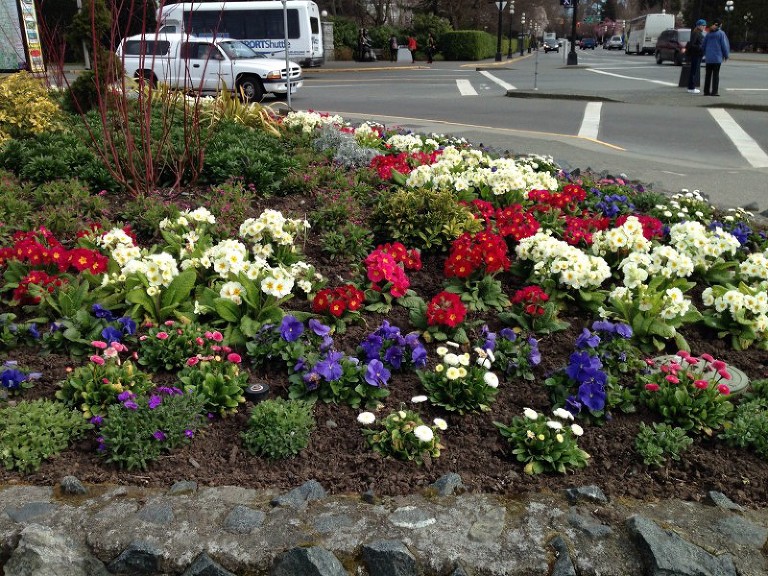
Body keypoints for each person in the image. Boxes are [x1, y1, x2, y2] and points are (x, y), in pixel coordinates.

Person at [701, 19, 729, 97]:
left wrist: (702, 54)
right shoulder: (721, 33)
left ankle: (706, 91)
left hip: (709, 58)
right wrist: (726, 55)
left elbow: (703, 45)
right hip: (717, 58)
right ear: (720, 25)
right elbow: (724, 45)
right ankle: (714, 91)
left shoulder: (708, 34)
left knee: (708, 75)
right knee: (716, 75)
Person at [686, 19, 706, 93]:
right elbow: (692, 45)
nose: (704, 26)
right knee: (694, 71)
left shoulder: (698, 33)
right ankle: (691, 87)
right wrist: (700, 47)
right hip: (696, 54)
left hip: (697, 54)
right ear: (699, 26)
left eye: (705, 25)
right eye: (703, 25)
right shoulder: (696, 33)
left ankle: (691, 87)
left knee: (694, 71)